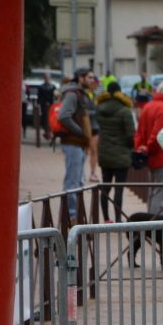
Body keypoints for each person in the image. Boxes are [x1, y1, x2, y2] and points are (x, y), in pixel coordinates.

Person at [134, 79, 163, 216]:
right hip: (160, 156)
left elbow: (139, 132)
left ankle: (149, 222)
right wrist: (148, 149)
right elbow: (158, 136)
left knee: (153, 191)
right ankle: (155, 225)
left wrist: (140, 149)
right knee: (161, 191)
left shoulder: (148, 106)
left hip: (149, 156)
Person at [95, 81, 135, 222]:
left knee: (105, 187)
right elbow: (130, 134)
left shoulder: (99, 108)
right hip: (121, 155)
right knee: (119, 189)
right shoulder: (125, 111)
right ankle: (118, 220)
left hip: (104, 153)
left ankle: (106, 218)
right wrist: (130, 147)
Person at [57, 67, 94, 218]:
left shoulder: (80, 93)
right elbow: (63, 116)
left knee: (78, 180)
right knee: (72, 181)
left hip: (79, 144)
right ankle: (71, 216)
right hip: (73, 142)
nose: (92, 81)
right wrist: (79, 131)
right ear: (81, 77)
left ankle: (75, 214)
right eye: (90, 77)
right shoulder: (73, 94)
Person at [85, 72, 101, 182]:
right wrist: (93, 112)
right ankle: (81, 172)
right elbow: (83, 111)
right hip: (85, 126)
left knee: (94, 150)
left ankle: (92, 172)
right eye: (95, 83)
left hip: (95, 126)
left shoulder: (96, 96)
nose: (96, 86)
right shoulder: (84, 94)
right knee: (85, 150)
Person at [36, 72, 55, 139]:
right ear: (44, 78)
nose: (47, 79)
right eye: (46, 77)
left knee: (50, 118)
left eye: (48, 77)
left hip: (51, 105)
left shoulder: (52, 86)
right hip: (43, 105)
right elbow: (39, 96)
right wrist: (38, 103)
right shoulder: (41, 87)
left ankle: (49, 131)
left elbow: (54, 96)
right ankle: (46, 131)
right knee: (45, 118)